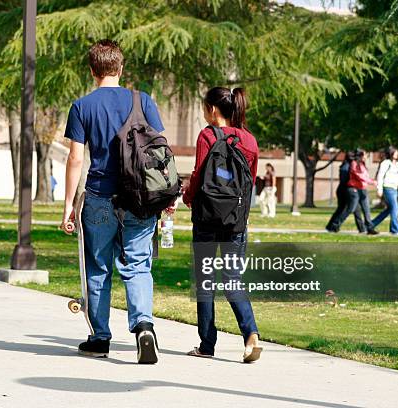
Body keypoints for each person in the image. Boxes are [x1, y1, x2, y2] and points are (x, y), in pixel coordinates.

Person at [59, 40, 171, 364]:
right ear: (120, 68)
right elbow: (159, 151)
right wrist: (166, 196)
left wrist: (69, 204)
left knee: (98, 266)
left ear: (93, 71)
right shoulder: (143, 100)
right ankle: (144, 327)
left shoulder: (82, 106)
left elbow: (76, 159)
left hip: (99, 197)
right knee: (138, 264)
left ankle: (99, 338)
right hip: (139, 197)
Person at [182, 87, 262, 363]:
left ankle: (207, 344)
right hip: (236, 221)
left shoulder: (207, 135)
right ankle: (250, 333)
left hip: (206, 218)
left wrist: (187, 197)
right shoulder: (250, 140)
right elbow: (250, 181)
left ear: (213, 110)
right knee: (232, 279)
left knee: (205, 280)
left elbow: (198, 173)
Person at [333, 149, 378, 234]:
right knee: (351, 209)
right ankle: (336, 224)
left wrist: (371, 181)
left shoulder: (362, 164)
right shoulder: (354, 164)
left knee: (366, 209)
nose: (366, 157)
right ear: (360, 156)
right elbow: (359, 176)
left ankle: (370, 228)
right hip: (354, 190)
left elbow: (365, 176)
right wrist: (372, 182)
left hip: (363, 189)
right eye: (365, 155)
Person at [326, 151, 365, 233]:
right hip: (345, 191)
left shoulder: (348, 165)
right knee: (346, 209)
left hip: (347, 190)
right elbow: (344, 181)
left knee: (355, 210)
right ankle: (334, 225)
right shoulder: (346, 167)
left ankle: (361, 228)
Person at [372, 146, 398, 235]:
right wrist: (379, 189)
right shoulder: (386, 163)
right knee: (395, 208)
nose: (397, 154)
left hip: (394, 189)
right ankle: (395, 230)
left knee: (389, 210)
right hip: (387, 188)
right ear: (391, 153)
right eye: (396, 152)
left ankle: (370, 224)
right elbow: (380, 176)